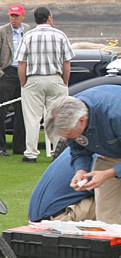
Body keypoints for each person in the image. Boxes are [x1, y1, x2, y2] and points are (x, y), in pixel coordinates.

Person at [45, 86, 121, 224]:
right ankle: (112, 240)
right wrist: (81, 170)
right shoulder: (71, 112)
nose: (65, 140)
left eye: (67, 134)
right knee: (106, 214)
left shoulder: (115, 112)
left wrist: (109, 173)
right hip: (111, 154)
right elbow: (78, 150)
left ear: (81, 121)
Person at [16, 6, 74, 163]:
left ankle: (31, 153)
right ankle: (58, 151)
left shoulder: (28, 36)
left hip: (33, 79)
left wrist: (23, 82)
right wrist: (65, 81)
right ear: (49, 18)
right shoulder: (60, 35)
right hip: (55, 78)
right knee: (56, 117)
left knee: (32, 118)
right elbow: (66, 63)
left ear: (35, 19)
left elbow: (21, 63)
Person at [0, 4, 28, 157]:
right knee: (1, 113)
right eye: (11, 16)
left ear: (22, 16)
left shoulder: (28, 31)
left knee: (22, 112)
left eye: (16, 16)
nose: (14, 19)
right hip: (7, 73)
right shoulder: (0, 32)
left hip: (23, 73)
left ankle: (19, 146)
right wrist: (0, 75)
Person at [28, 151, 95, 222]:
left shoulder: (76, 148)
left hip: (37, 216)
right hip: (58, 218)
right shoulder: (102, 157)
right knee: (106, 194)